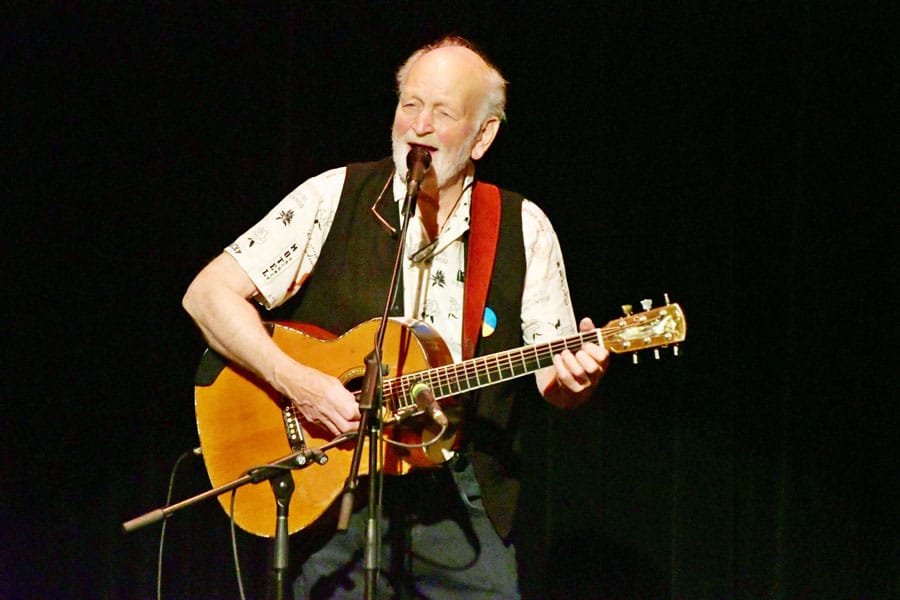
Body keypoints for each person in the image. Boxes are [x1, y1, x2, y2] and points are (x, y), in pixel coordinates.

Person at [183, 36, 609, 599]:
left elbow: (554, 380)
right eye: (410, 104)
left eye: (443, 111)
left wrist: (574, 380)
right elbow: (208, 295)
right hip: (333, 494)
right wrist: (298, 382)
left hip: (459, 508)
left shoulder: (522, 228)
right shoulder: (334, 196)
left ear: (484, 136)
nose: (420, 126)